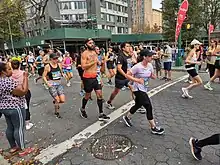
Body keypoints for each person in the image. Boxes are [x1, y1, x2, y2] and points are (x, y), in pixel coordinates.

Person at [122, 49, 164, 135]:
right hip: (137, 89)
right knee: (148, 105)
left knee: (138, 104)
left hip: (144, 88)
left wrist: (153, 76)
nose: (152, 57)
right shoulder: (137, 66)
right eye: (150, 56)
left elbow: (151, 75)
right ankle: (153, 127)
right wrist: (137, 79)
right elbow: (127, 75)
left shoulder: (150, 65)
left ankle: (127, 117)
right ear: (145, 57)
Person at [0, 62, 34, 156]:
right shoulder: (8, 81)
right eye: (9, 69)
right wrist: (26, 77)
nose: (11, 70)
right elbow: (23, 91)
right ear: (3, 71)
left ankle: (13, 146)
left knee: (10, 127)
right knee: (19, 128)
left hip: (4, 107)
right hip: (15, 106)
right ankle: (23, 149)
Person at [79, 38, 110, 121]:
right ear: (86, 45)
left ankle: (101, 114)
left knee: (99, 95)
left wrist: (103, 62)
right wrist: (94, 62)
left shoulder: (94, 53)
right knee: (87, 95)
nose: (92, 44)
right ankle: (82, 109)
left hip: (95, 76)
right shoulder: (84, 54)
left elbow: (98, 63)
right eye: (90, 43)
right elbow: (83, 66)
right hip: (87, 78)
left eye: (93, 43)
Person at [106, 42, 133, 110]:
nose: (129, 47)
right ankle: (109, 102)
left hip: (127, 78)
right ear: (123, 48)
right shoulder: (121, 56)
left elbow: (129, 66)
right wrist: (125, 75)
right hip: (120, 78)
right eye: (127, 46)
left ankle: (138, 105)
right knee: (116, 91)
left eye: (129, 46)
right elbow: (118, 68)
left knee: (133, 89)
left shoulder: (129, 56)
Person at [11, 60, 34, 130]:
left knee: (16, 108)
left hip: (14, 93)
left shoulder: (9, 74)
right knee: (26, 107)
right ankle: (27, 124)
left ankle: (18, 122)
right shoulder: (24, 73)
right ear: (19, 65)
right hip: (24, 91)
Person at [43, 53, 65, 118]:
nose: (56, 60)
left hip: (59, 84)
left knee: (62, 100)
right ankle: (56, 112)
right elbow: (43, 76)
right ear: (51, 59)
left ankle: (55, 101)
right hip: (52, 84)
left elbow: (61, 72)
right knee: (57, 100)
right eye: (54, 59)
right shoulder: (48, 66)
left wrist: (63, 74)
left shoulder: (59, 65)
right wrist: (47, 83)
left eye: (57, 58)